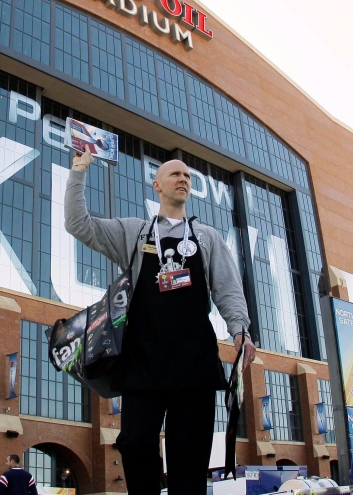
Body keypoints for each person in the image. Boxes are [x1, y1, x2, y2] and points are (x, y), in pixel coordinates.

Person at [65, 151, 253, 495]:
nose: (183, 179)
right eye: (175, 174)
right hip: (143, 362)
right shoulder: (135, 233)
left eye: (187, 176)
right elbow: (79, 225)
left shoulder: (207, 237)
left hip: (194, 363)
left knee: (189, 456)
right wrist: (79, 171)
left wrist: (240, 329)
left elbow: (227, 288)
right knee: (135, 442)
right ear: (157, 186)